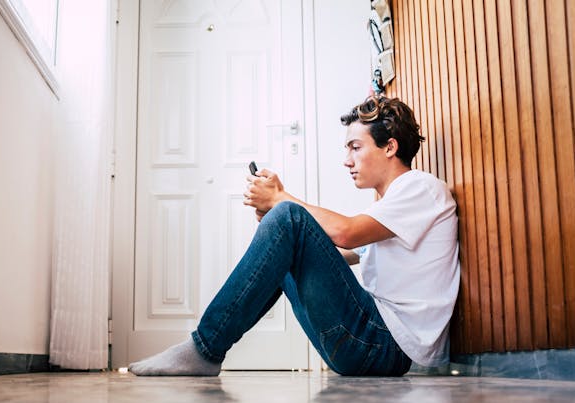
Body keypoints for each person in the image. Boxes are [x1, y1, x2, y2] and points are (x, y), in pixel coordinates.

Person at [128, 95, 460, 377]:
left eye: (356, 148)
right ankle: (206, 348)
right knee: (285, 224)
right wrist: (278, 233)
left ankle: (204, 349)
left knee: (288, 216)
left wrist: (281, 203)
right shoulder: (391, 208)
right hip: (371, 343)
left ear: (390, 147)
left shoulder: (420, 189)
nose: (347, 161)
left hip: (388, 346)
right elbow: (335, 256)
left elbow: (346, 234)